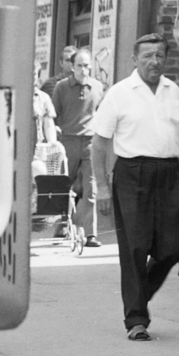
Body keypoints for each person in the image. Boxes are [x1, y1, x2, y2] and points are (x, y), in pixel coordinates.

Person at [89, 34, 179, 341]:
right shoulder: (119, 93)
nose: (154, 61)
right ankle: (136, 318)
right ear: (134, 60)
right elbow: (99, 144)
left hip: (169, 173)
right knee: (135, 247)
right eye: (148, 56)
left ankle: (139, 296)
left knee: (171, 245)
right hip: (131, 173)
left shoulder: (172, 91)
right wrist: (101, 186)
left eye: (160, 56)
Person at [52, 48, 105, 246]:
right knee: (65, 185)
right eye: (80, 66)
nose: (84, 70)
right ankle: (62, 225)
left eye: (87, 66)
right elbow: (55, 114)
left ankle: (91, 234)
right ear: (72, 67)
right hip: (68, 141)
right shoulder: (61, 87)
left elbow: (101, 113)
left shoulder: (98, 87)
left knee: (91, 188)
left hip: (90, 142)